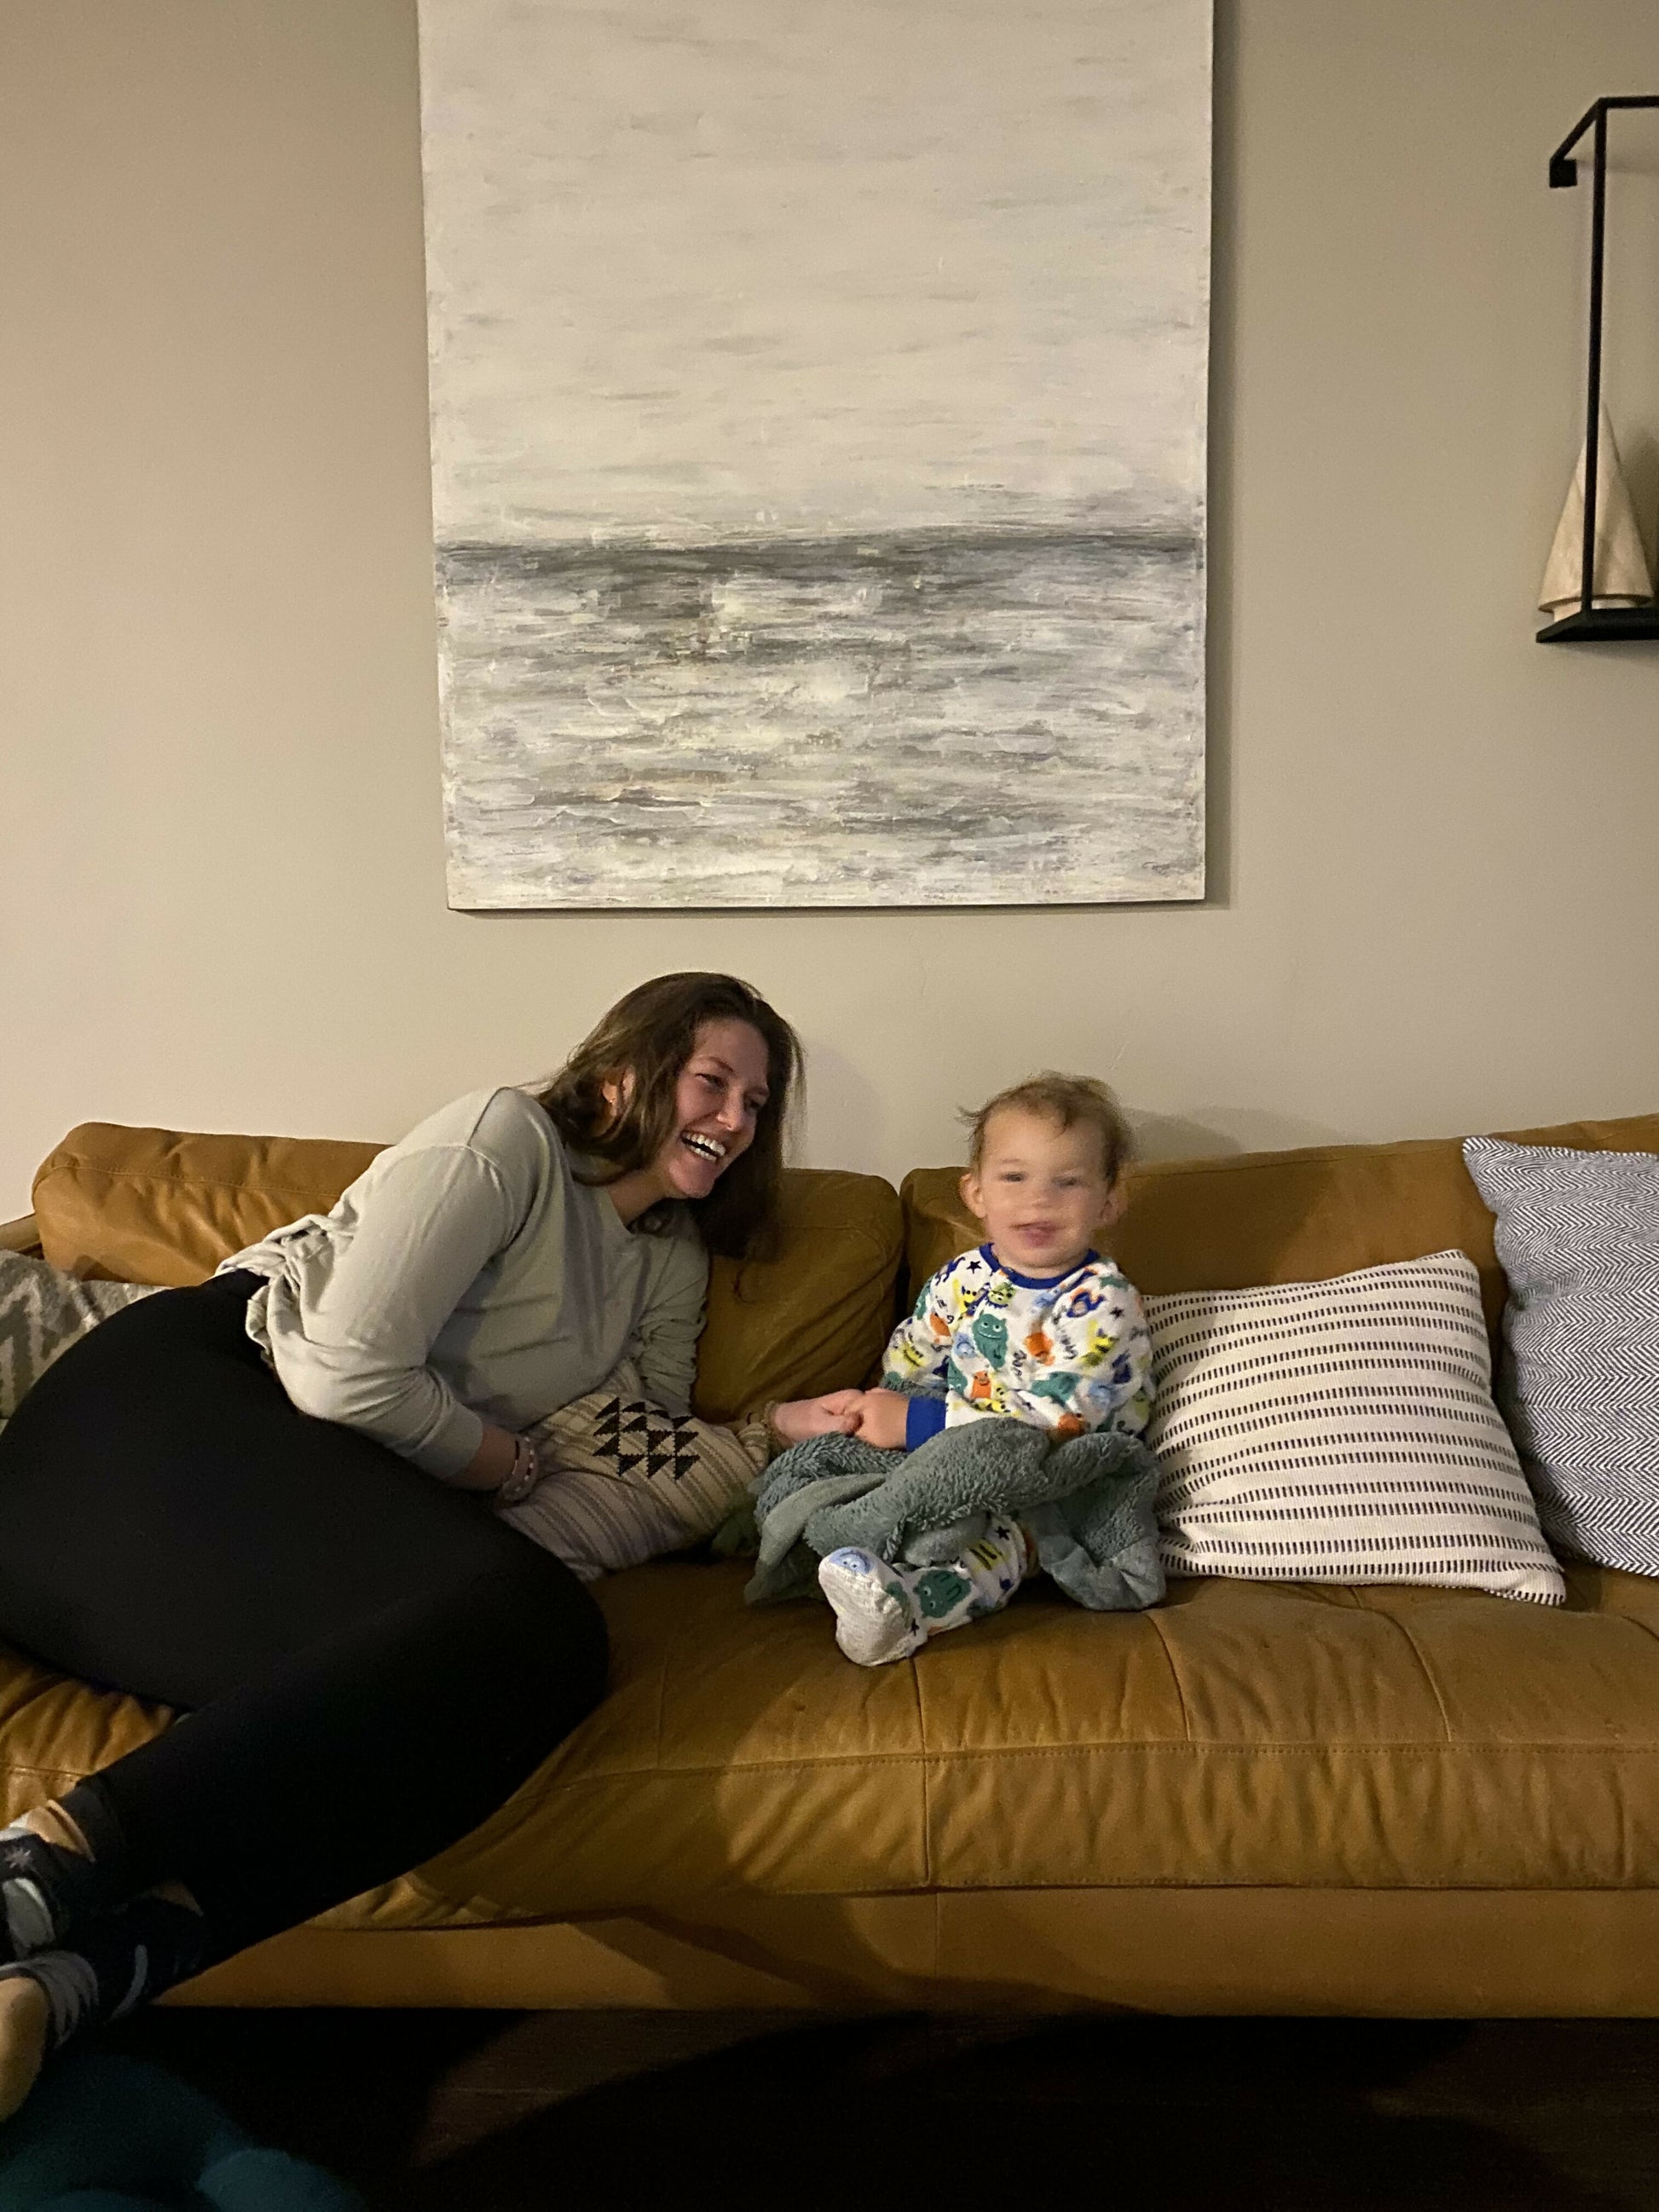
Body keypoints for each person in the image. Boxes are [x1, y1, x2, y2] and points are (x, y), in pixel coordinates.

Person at [0, 972, 842, 2118]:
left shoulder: (668, 1255)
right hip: (161, 1427)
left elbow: (634, 1429)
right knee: (533, 1623)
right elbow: (343, 1372)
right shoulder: (508, 1140)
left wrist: (772, 1433)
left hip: (275, 1521)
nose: (736, 1118)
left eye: (757, 1102)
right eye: (714, 1080)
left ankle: (84, 1976)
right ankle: (37, 1874)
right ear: (623, 1074)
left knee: (513, 1676)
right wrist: (499, 1464)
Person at [807, 1073, 1153, 1665]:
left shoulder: (1104, 1300)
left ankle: (907, 1610)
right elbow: (915, 1353)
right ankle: (848, 1554)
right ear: (976, 1194)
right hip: (955, 1448)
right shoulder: (963, 1278)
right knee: (858, 1482)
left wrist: (916, 1424)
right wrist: (878, 1410)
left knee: (999, 1547)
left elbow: (1059, 1421)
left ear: (1109, 1200)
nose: (1039, 1200)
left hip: (1051, 1476)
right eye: (1015, 1177)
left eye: (1067, 1181)